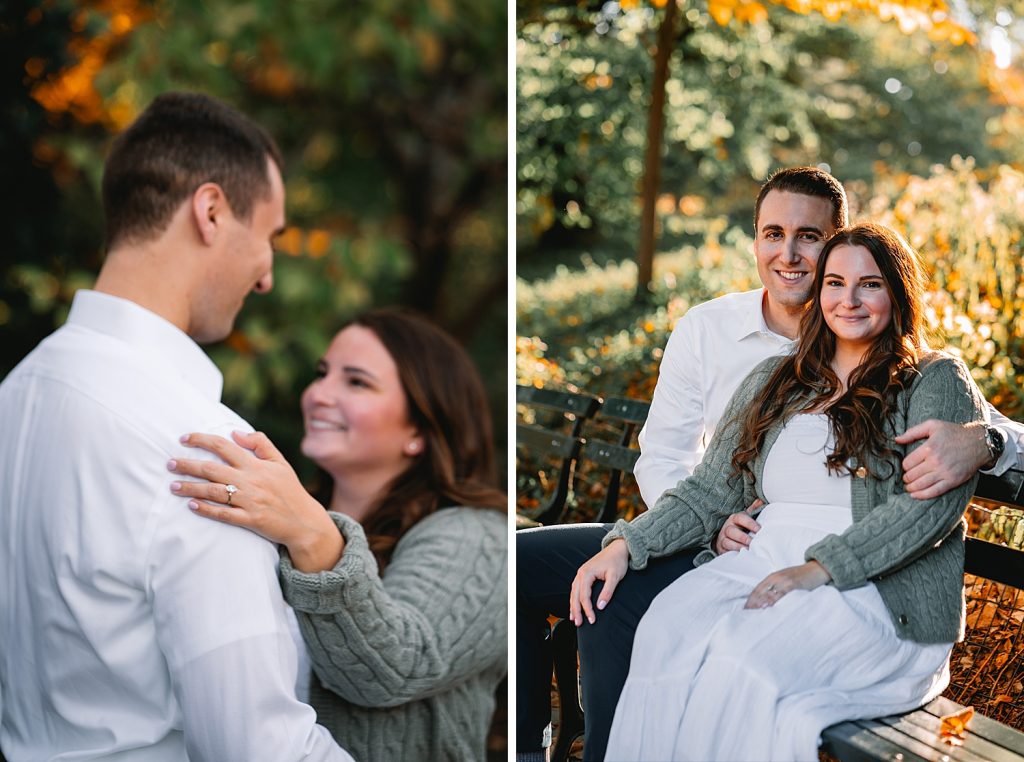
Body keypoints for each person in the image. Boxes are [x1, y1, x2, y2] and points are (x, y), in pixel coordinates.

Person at [515, 167, 1024, 762]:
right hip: (745, 556)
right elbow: (705, 486)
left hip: (869, 588)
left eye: (867, 283)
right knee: (666, 636)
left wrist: (985, 440)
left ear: (895, 290)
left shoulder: (931, 377)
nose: (846, 297)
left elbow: (931, 503)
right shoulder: (772, 375)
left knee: (736, 664)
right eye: (836, 282)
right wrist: (627, 543)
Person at [0, 92, 352, 760]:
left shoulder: (16, 394)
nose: (268, 276)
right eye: (270, 238)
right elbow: (259, 747)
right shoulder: (201, 445)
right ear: (212, 211)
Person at [165, 309, 508, 761]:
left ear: (419, 429)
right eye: (322, 374)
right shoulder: (280, 520)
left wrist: (313, 535)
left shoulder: (479, 538)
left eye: (356, 382)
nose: (319, 395)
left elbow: (394, 669)